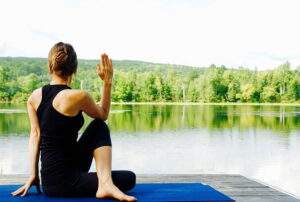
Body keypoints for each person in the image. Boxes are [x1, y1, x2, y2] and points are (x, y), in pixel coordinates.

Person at [11, 42, 137, 201]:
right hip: (64, 183)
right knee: (128, 177)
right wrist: (107, 83)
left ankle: (105, 183)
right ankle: (105, 183)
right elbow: (103, 114)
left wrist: (34, 175)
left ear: (50, 66)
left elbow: (35, 136)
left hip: (50, 182)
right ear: (74, 69)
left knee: (98, 127)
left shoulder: (34, 97)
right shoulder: (79, 96)